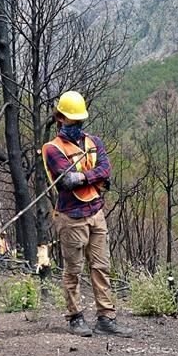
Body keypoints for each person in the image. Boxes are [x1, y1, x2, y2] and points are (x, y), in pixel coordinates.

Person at [41, 90, 131, 338]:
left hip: (95, 212)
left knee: (101, 267)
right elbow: (66, 181)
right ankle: (75, 316)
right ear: (60, 117)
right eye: (73, 120)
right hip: (71, 216)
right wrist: (93, 177)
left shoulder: (94, 142)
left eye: (80, 120)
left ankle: (106, 318)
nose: (77, 124)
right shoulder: (52, 149)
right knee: (73, 269)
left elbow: (105, 169)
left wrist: (84, 177)